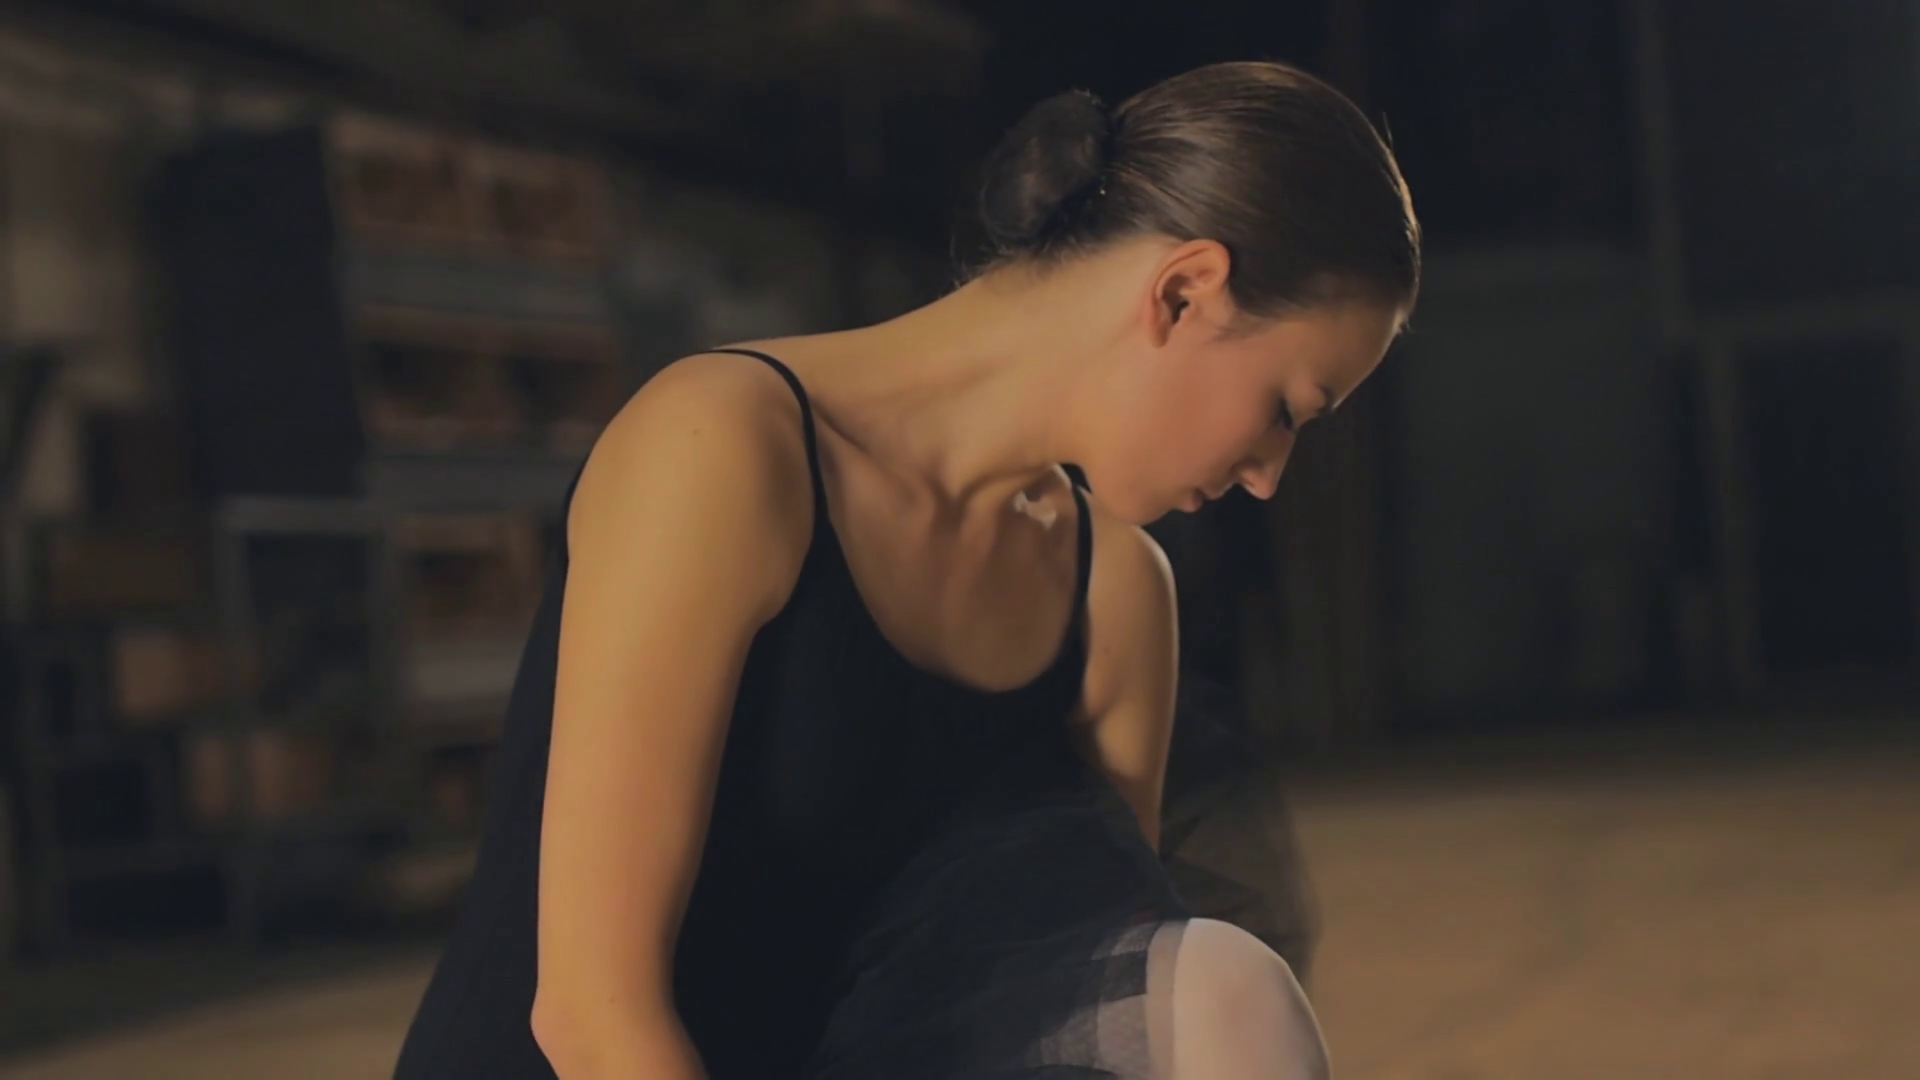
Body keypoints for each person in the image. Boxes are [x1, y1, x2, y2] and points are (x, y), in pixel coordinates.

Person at [393, 60, 1419, 1079]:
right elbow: (590, 1017)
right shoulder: (721, 448)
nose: (1269, 476)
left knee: (1217, 996)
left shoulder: (1117, 595)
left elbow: (1081, 1010)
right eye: (1286, 409)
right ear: (1183, 292)